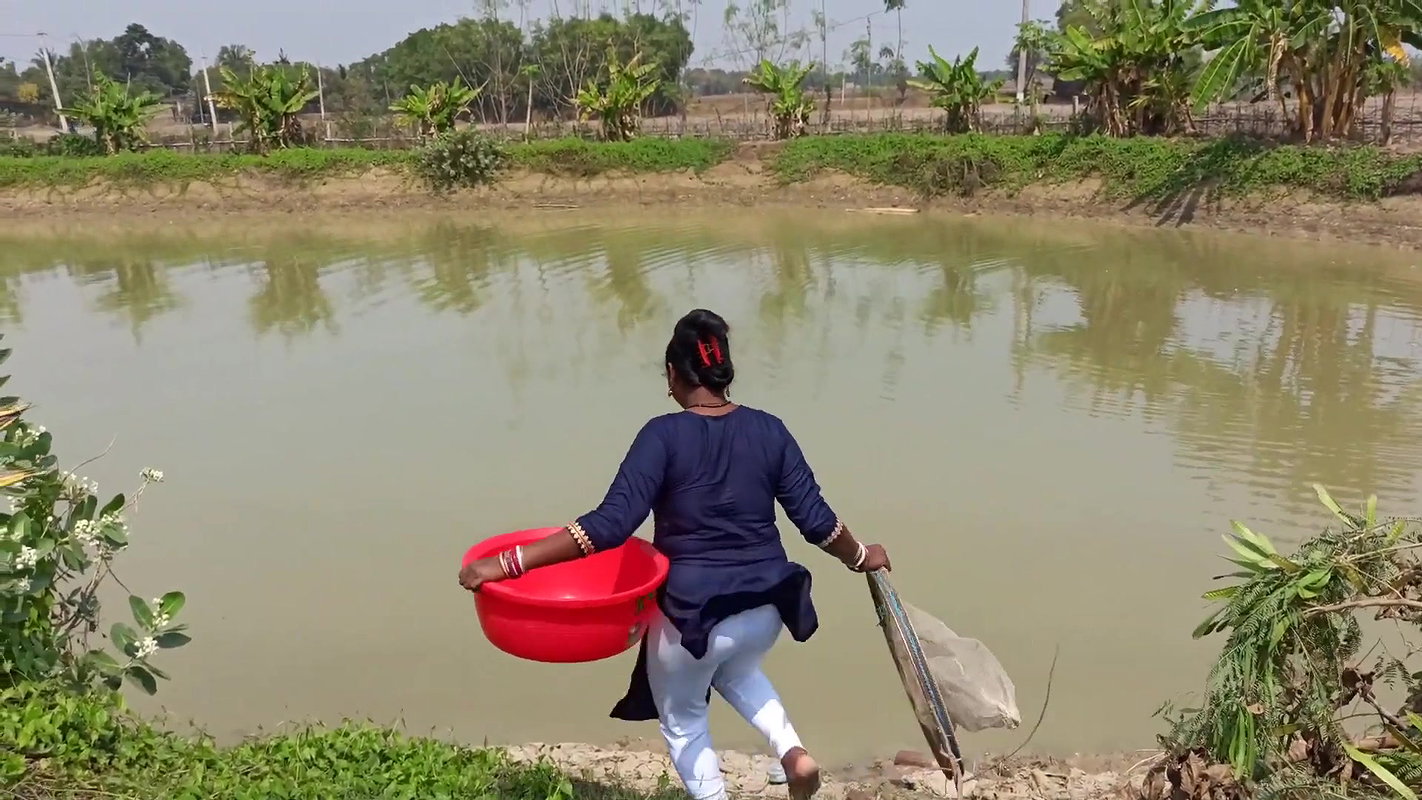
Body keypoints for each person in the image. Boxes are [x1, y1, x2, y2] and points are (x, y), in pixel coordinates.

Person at [459, 309, 891, 800]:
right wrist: (862, 556)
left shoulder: (662, 436)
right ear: (724, 370)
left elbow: (608, 526)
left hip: (692, 617)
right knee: (737, 668)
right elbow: (818, 522)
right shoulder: (771, 430)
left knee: (684, 719)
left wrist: (508, 562)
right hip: (766, 609)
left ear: (672, 374)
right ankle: (793, 753)